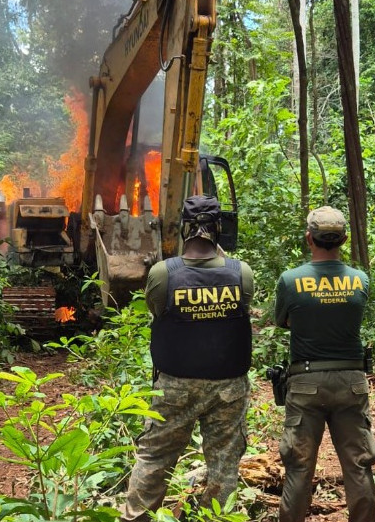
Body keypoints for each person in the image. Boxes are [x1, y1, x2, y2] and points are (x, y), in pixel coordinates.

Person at [120, 195, 254, 522]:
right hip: (228, 389)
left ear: (183, 228)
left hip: (174, 387)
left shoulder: (163, 273)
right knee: (224, 465)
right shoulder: (241, 273)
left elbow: (158, 310)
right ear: (218, 228)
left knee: (153, 460)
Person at [274, 206, 375, 522]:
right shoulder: (360, 280)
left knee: (298, 467)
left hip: (306, 382)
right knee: (358, 465)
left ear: (309, 238)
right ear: (343, 239)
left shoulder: (290, 281)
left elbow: (286, 321)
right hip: (351, 382)